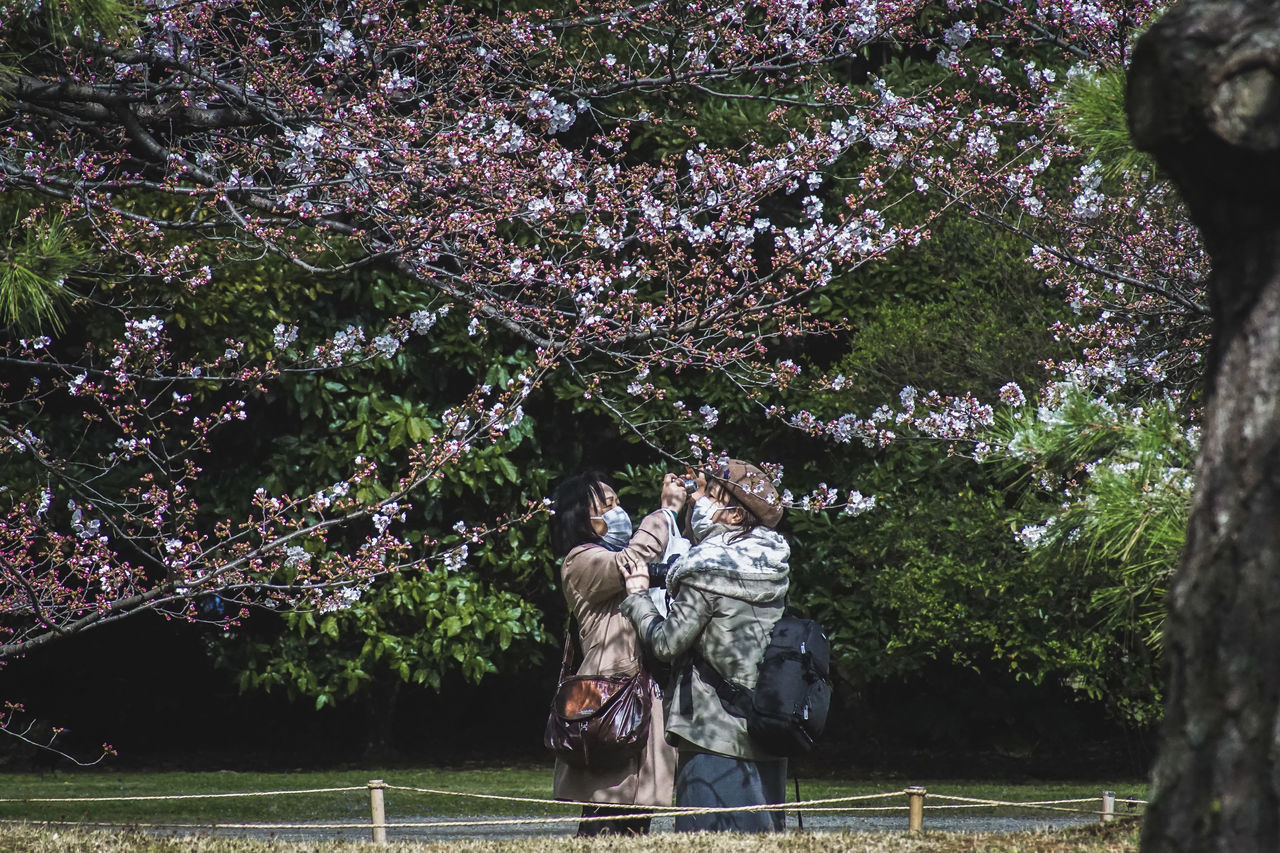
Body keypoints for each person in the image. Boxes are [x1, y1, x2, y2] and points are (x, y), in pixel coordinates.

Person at [618, 460, 790, 833]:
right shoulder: (772, 563)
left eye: (711, 497)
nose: (702, 503)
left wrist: (637, 599)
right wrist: (701, 487)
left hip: (712, 733)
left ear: (734, 514)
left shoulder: (706, 571)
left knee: (705, 836)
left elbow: (666, 643)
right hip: (764, 723)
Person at [549, 470, 687, 836]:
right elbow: (632, 559)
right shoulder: (580, 560)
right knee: (604, 815)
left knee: (636, 819)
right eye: (607, 505)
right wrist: (666, 512)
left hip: (639, 695)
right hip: (609, 702)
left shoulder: (610, 562)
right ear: (581, 517)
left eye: (617, 502)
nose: (618, 511)